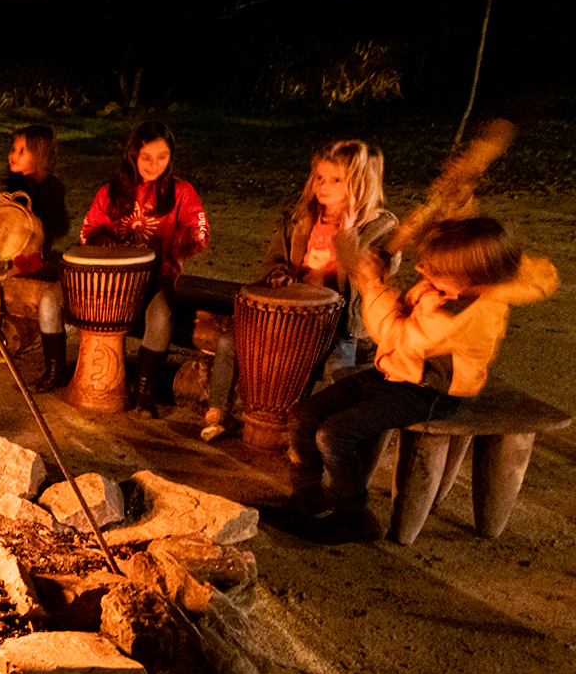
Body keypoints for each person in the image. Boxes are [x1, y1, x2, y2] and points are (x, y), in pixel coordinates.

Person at [273, 218, 558, 544]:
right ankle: (309, 501)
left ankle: (353, 516)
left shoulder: (466, 315)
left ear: (471, 279)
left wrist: (370, 283)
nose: (423, 271)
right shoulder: (457, 284)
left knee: (333, 435)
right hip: (395, 370)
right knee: (304, 416)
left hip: (429, 389)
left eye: (435, 270)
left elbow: (396, 335)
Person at [202, 141, 399, 441]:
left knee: (339, 366)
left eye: (336, 180)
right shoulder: (300, 219)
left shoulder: (378, 228)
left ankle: (328, 436)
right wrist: (279, 273)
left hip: (340, 325)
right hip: (292, 316)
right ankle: (219, 412)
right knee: (231, 339)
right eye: (319, 177)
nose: (324, 186)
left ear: (359, 184)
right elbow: (274, 260)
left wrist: (347, 237)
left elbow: (372, 276)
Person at [58, 121, 209, 415]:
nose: (154, 164)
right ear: (132, 155)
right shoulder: (111, 192)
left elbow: (199, 232)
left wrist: (183, 241)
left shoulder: (182, 192)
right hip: (108, 276)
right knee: (52, 299)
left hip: (156, 275)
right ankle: (56, 374)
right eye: (146, 157)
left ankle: (143, 390)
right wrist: (118, 251)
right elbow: (88, 231)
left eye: (162, 157)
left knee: (162, 314)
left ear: (171, 157)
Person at [0, 125, 71, 371]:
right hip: (1, 250)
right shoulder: (15, 184)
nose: (13, 155)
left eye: (22, 151)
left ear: (39, 156)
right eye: (13, 149)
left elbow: (56, 227)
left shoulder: (51, 187)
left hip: (28, 256)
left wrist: (31, 219)